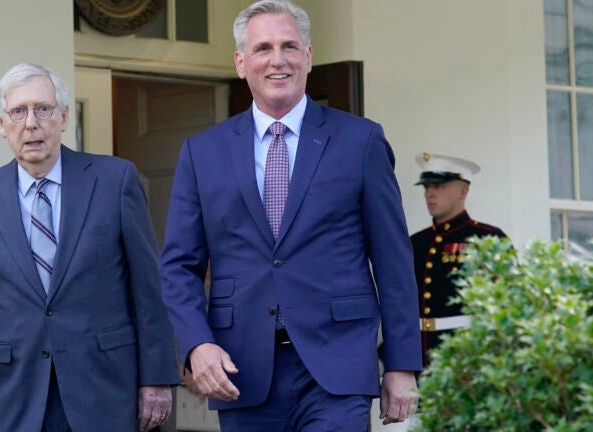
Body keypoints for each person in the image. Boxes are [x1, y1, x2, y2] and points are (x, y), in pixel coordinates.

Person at [158, 1, 422, 430]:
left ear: (309, 56)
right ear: (241, 63)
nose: (277, 60)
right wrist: (197, 344)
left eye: (289, 47)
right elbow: (177, 266)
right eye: (262, 48)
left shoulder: (361, 141)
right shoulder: (202, 152)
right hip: (242, 369)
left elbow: (393, 261)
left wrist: (401, 363)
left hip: (337, 366)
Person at [0, 62, 179, 432]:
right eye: (18, 112)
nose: (31, 123)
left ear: (64, 118)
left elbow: (148, 288)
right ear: (2, 125)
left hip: (105, 389)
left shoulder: (114, 181)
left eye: (43, 109)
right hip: (18, 396)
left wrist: (158, 377)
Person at [410, 152, 508, 366]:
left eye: (439, 186)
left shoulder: (488, 239)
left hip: (466, 356)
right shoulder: (416, 243)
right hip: (418, 357)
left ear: (463, 190)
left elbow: (507, 304)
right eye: (427, 187)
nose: (429, 194)